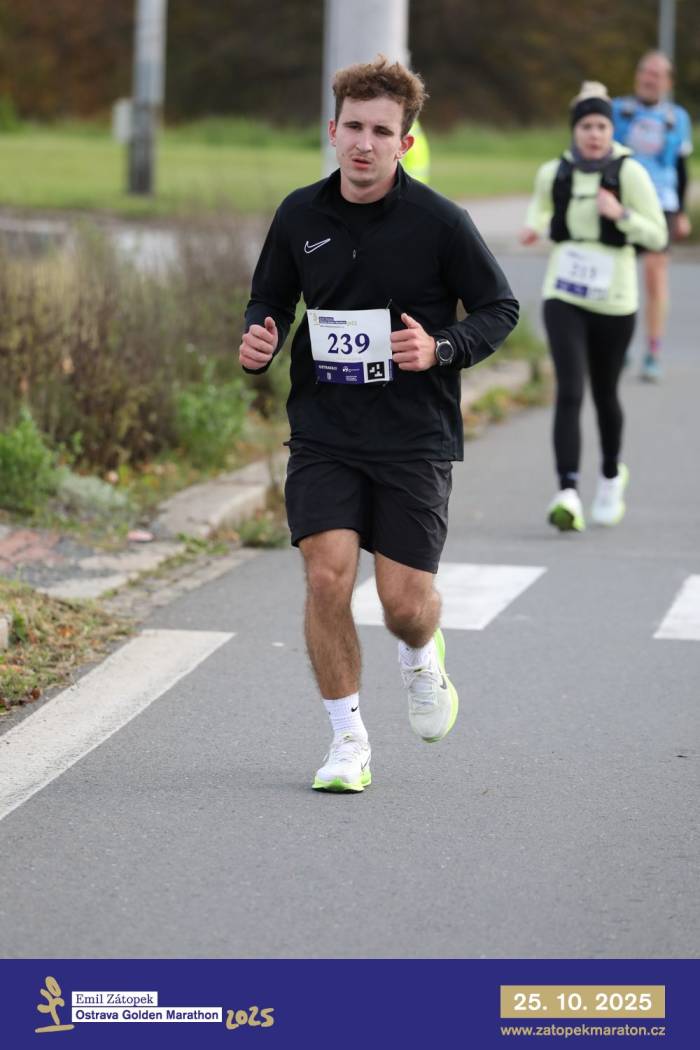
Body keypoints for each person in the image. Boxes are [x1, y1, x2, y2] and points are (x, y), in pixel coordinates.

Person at [239, 55, 518, 792]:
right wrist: (261, 335)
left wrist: (441, 347)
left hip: (413, 436)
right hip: (325, 429)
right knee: (326, 576)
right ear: (332, 131)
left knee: (403, 606)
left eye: (382, 132)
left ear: (405, 142)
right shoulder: (299, 215)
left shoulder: (440, 222)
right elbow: (270, 297)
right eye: (354, 127)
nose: (365, 143)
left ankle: (422, 656)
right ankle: (347, 740)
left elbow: (500, 308)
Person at [520, 81, 667, 533]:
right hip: (564, 292)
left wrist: (621, 215)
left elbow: (658, 234)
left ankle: (609, 476)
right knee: (569, 389)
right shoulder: (554, 173)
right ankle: (567, 491)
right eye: (586, 126)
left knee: (605, 393)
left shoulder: (630, 173)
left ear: (611, 130)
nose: (594, 134)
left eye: (602, 126)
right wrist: (534, 229)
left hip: (615, 298)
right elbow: (538, 213)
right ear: (575, 130)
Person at [612, 51, 693, 381]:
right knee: (619, 274)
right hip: (622, 200)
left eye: (657, 74)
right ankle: (620, 345)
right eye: (645, 71)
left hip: (661, 203)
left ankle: (653, 351)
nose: (649, 78)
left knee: (655, 276)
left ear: (668, 82)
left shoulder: (677, 117)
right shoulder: (618, 110)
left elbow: (681, 168)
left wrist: (682, 212)